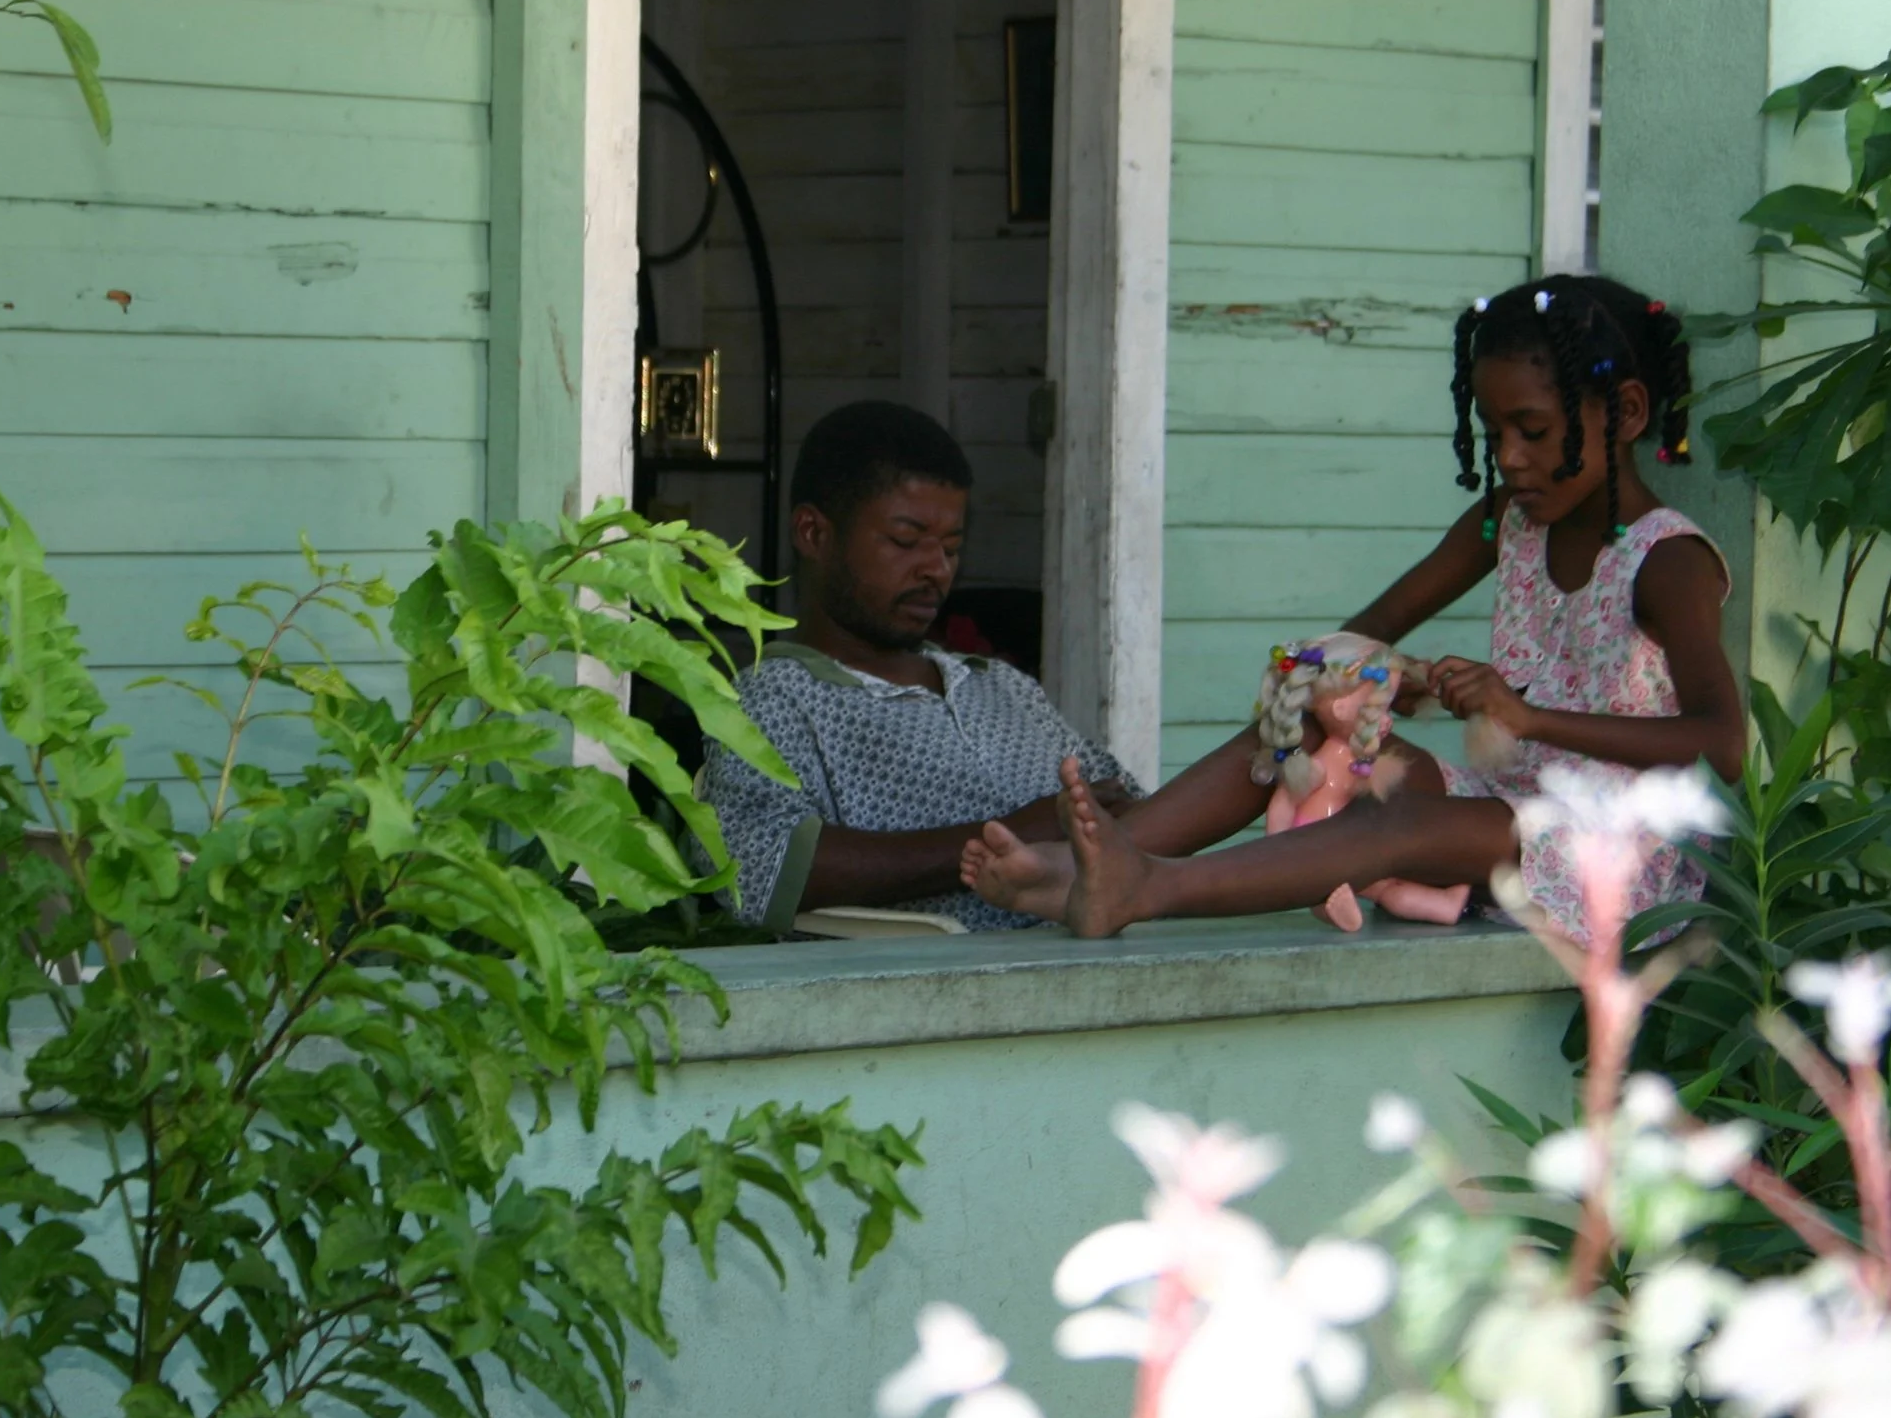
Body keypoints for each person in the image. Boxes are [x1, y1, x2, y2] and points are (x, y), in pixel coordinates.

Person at [962, 273, 1745, 946]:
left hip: (1614, 849)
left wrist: (1530, 717)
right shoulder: (1507, 520)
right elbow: (1367, 631)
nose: (1509, 456)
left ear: (1628, 412)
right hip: (1508, 809)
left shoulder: (1666, 559)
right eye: (1494, 430)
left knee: (1387, 820)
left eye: (1533, 430)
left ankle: (1149, 887)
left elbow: (1723, 744)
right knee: (1304, 716)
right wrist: (1367, 673)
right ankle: (1089, 865)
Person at [699, 399, 1140, 932]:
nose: (937, 570)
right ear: (813, 533)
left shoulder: (1001, 687)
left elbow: (1125, 811)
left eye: (951, 548)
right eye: (905, 541)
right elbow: (757, 871)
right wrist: (1010, 833)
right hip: (948, 976)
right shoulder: (771, 698)